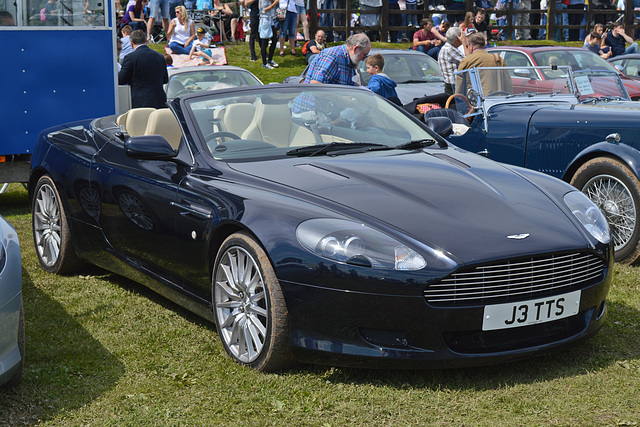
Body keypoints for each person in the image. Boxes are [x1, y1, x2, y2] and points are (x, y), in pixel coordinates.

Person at [118, 29, 169, 109]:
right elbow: (165, 79)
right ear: (145, 41)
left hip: (140, 101)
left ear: (131, 43)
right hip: (159, 100)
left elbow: (121, 79)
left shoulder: (130, 58)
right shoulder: (160, 56)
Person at [456, 32, 512, 96]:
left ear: (471, 46)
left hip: (476, 101)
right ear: (484, 45)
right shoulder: (498, 60)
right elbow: (508, 83)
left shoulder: (466, 61)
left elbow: (460, 84)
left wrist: (459, 99)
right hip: (496, 100)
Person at [305, 33, 371, 85]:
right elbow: (316, 84)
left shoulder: (349, 61)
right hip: (313, 101)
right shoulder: (332, 56)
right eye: (364, 55)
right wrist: (341, 98)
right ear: (356, 49)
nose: (363, 59)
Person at [438, 27, 467, 95]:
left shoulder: (449, 48)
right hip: (453, 85)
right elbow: (468, 61)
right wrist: (464, 42)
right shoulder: (449, 49)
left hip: (452, 84)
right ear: (457, 38)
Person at [258, 0, 280, 69]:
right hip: (265, 21)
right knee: (265, 43)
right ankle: (264, 63)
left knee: (274, 40)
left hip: (271, 21)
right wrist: (274, 4)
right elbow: (264, 10)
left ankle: (270, 59)